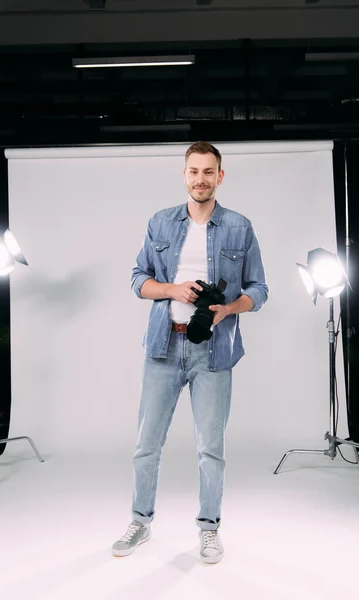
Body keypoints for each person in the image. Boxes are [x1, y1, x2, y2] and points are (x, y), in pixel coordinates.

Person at [112, 141, 268, 564]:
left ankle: (209, 529)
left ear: (221, 176)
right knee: (147, 444)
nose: (200, 179)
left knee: (211, 448)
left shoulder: (239, 226)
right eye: (193, 171)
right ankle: (140, 522)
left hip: (215, 351)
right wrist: (172, 290)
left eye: (208, 171)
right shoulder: (160, 223)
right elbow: (136, 279)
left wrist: (228, 309)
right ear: (184, 175)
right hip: (163, 345)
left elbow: (260, 289)